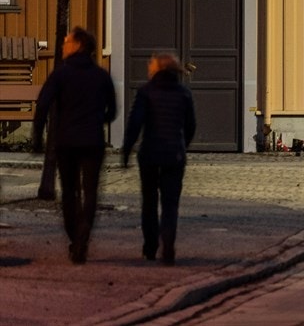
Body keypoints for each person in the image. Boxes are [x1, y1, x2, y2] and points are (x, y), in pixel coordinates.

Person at [31, 27, 117, 264]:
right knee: (90, 192)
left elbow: (43, 105)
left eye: (67, 41)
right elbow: (113, 111)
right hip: (92, 140)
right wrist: (97, 119)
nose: (63, 45)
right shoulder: (101, 75)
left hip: (66, 141)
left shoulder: (61, 74)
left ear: (78, 45)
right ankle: (83, 235)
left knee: (69, 192)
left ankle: (75, 237)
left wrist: (38, 136)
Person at [121, 52, 196, 264]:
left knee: (150, 201)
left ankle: (151, 246)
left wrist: (127, 150)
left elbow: (135, 123)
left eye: (151, 65)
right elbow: (190, 125)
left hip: (150, 154)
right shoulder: (183, 93)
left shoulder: (146, 92)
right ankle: (169, 243)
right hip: (174, 154)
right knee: (170, 203)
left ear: (157, 69)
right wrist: (183, 146)